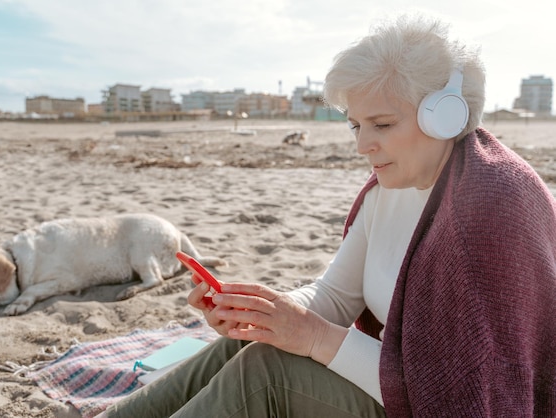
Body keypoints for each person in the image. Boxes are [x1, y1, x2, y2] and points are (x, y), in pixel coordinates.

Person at [101, 13, 556, 417]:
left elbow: (467, 392)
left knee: (267, 371)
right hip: (396, 383)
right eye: (356, 125)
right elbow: (336, 296)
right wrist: (264, 312)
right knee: (254, 339)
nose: (362, 146)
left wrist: (314, 337)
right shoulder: (389, 187)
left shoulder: (496, 204)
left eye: (381, 124)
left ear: (445, 117)